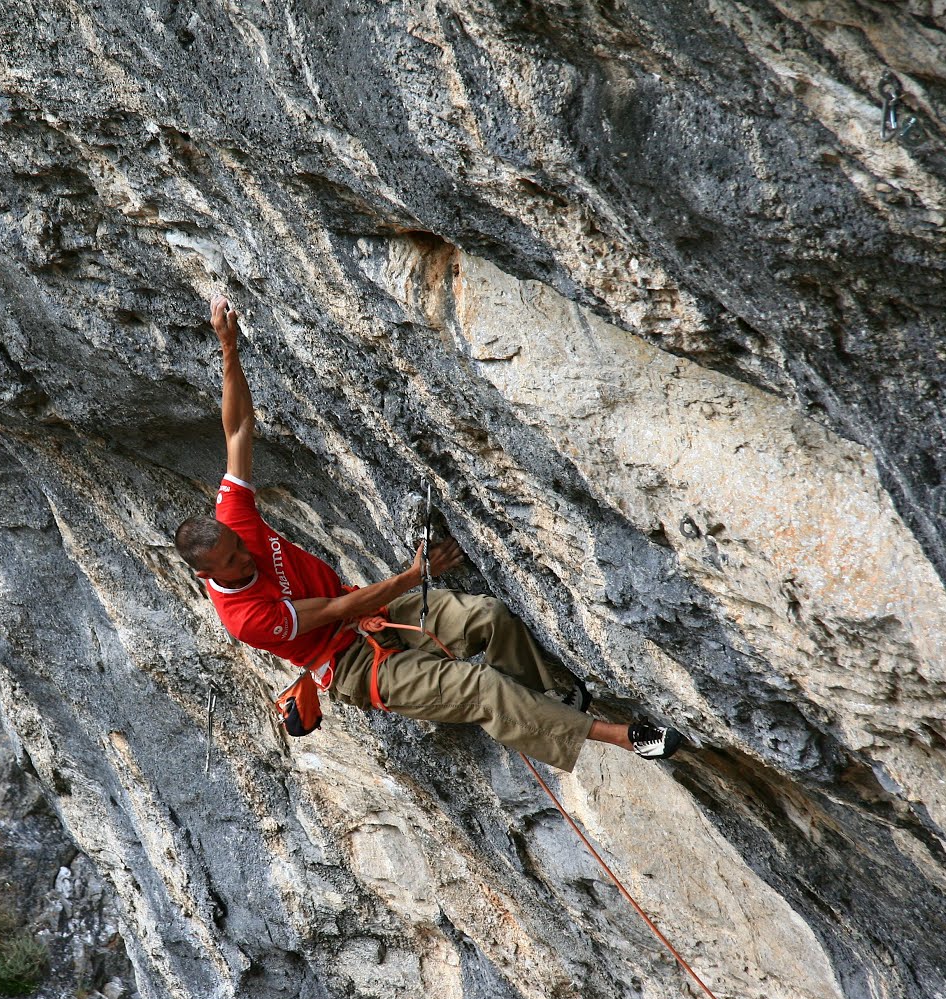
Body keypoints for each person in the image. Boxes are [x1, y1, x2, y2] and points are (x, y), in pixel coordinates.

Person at [174, 295, 683, 770]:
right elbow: (333, 612)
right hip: (351, 665)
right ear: (207, 575)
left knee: (488, 616)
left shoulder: (233, 519)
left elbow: (238, 429)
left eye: (242, 545)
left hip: (375, 612)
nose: (248, 556)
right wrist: (414, 575)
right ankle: (623, 736)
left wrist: (229, 347)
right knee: (481, 688)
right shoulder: (245, 618)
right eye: (236, 562)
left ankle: (551, 699)